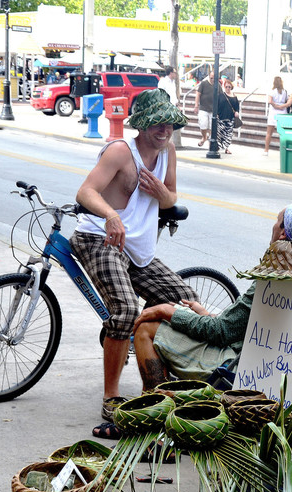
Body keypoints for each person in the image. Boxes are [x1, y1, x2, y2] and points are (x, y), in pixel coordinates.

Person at [71, 89, 199, 436]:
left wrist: (162, 194)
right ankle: (111, 396)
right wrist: (111, 215)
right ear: (141, 124)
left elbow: (172, 196)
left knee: (184, 299)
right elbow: (85, 192)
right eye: (157, 122)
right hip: (100, 237)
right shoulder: (119, 151)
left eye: (169, 122)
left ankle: (155, 386)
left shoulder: (168, 151)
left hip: (137, 251)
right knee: (126, 310)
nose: (164, 128)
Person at [132, 210, 292, 392]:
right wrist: (205, 314)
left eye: (277, 221)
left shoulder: (272, 281)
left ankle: (153, 405)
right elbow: (240, 325)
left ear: (282, 233)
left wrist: (167, 312)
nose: (273, 225)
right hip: (254, 358)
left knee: (146, 328)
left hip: (234, 365)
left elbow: (220, 331)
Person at [263, 76, 289, 155]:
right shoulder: (285, 91)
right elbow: (287, 101)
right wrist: (282, 106)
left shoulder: (272, 91)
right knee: (283, 133)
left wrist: (276, 106)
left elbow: (270, 101)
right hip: (283, 112)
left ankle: (266, 150)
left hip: (273, 112)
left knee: (269, 133)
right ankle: (284, 150)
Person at [215, 79, 240, 154]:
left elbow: (237, 107)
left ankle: (226, 148)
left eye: (229, 87)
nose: (228, 88)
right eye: (226, 87)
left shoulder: (234, 96)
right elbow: (217, 105)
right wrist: (216, 114)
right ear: (224, 87)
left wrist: (237, 112)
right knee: (220, 133)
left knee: (228, 134)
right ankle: (218, 147)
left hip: (230, 118)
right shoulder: (221, 95)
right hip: (221, 117)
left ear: (231, 87)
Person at [194, 70, 215, 147]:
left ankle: (210, 140)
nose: (212, 80)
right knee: (203, 125)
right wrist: (196, 105)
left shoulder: (217, 85)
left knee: (211, 126)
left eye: (214, 78)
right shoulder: (204, 83)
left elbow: (221, 96)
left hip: (213, 109)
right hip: (203, 108)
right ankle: (204, 137)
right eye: (211, 78)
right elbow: (198, 94)